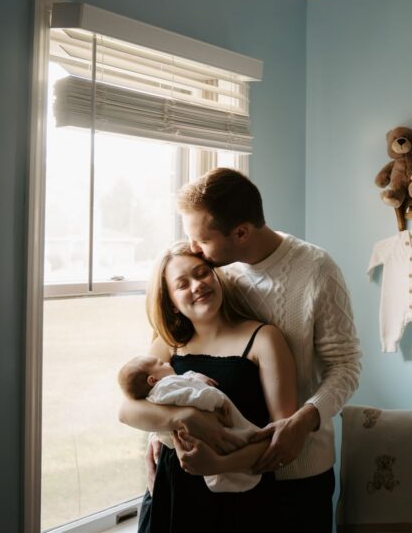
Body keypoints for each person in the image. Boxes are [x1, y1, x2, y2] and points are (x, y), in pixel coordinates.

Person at [121, 168, 362, 532]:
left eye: (200, 239)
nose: (193, 249)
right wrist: (167, 430)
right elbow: (160, 373)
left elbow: (346, 365)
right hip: (216, 480)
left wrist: (303, 420)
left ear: (241, 233)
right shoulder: (216, 273)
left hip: (298, 469)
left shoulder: (317, 270)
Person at [119, 241, 298, 532]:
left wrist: (217, 464)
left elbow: (282, 437)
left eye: (202, 273)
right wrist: (184, 418)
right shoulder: (170, 346)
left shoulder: (263, 339)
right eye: (182, 284)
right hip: (173, 493)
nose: (197, 285)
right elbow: (126, 410)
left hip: (239, 495)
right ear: (172, 304)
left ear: (216, 276)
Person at [118, 355, 263, 493]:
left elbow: (183, 382)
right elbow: (188, 395)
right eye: (161, 364)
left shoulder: (162, 386)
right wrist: (216, 399)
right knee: (230, 442)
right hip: (184, 461)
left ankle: (231, 473)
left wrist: (195, 377)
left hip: (188, 459)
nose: (168, 363)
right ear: (152, 380)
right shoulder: (163, 388)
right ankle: (234, 474)